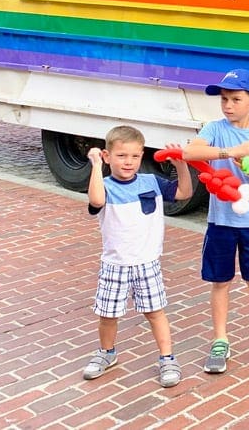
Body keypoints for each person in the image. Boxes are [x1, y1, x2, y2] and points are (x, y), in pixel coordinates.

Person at [183, 68, 249, 376]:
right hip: (221, 222)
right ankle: (220, 340)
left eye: (235, 99)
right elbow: (190, 152)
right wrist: (232, 152)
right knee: (221, 282)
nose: (228, 105)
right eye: (224, 99)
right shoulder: (215, 129)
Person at [81, 125, 193, 388]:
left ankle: (167, 357)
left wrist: (181, 166)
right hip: (115, 264)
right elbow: (96, 201)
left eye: (134, 156)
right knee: (108, 314)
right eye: (120, 156)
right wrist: (96, 166)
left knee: (155, 312)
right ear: (108, 157)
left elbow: (184, 193)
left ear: (142, 155)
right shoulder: (104, 185)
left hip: (147, 262)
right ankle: (106, 353)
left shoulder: (151, 183)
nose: (128, 162)